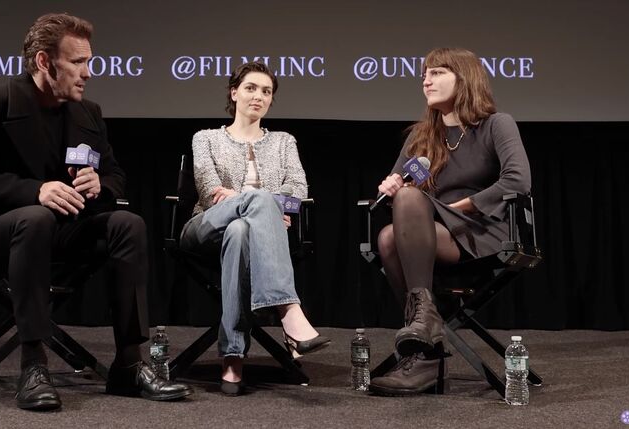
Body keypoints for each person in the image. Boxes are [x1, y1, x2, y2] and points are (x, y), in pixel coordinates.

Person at [0, 13, 192, 410]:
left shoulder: (88, 112)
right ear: (45, 61)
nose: (88, 73)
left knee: (127, 224)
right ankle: (33, 366)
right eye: (78, 62)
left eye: (89, 62)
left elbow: (115, 176)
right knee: (36, 216)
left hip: (65, 227)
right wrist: (35, 190)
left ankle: (130, 364)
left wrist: (100, 184)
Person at [368, 47, 531, 396]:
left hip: (481, 231)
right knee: (388, 236)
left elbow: (518, 181)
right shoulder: (421, 136)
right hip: (434, 234)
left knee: (406, 207)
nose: (426, 81)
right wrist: (390, 187)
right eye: (424, 75)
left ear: (465, 78)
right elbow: (400, 193)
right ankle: (426, 341)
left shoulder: (496, 125)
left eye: (437, 73)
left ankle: (425, 341)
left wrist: (460, 207)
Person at [180, 61, 331, 396]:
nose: (258, 96)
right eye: (250, 88)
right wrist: (265, 206)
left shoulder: (283, 141)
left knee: (240, 232)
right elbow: (209, 190)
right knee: (257, 202)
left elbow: (297, 188)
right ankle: (288, 311)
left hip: (249, 235)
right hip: (205, 227)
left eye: (266, 91)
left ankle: (232, 358)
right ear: (234, 93)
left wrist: (258, 209)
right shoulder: (206, 138)